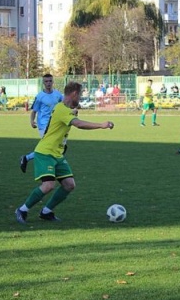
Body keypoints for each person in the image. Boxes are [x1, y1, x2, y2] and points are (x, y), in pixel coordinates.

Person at [14, 81, 114, 224]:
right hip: (45, 152)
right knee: (48, 185)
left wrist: (73, 111)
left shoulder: (63, 108)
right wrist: (101, 125)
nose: (80, 98)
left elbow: (69, 112)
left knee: (69, 184)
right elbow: (78, 124)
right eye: (79, 95)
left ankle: (46, 212)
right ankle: (22, 210)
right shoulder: (62, 109)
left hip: (57, 154)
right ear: (74, 94)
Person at [20, 74, 64, 173]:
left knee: (53, 146)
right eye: (46, 81)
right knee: (48, 146)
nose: (48, 83)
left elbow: (65, 104)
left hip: (55, 125)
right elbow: (34, 111)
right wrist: (32, 121)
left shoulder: (58, 94)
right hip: (43, 125)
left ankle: (26, 158)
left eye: (50, 81)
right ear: (43, 83)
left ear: (53, 82)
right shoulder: (40, 96)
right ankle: (49, 165)